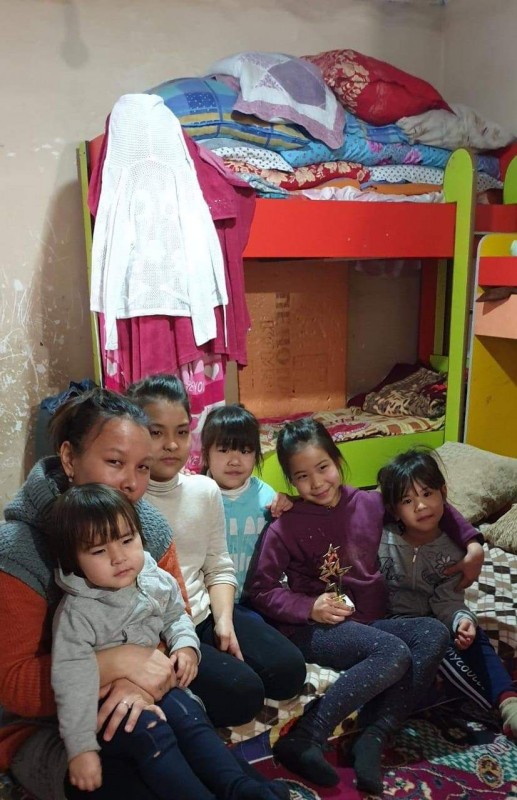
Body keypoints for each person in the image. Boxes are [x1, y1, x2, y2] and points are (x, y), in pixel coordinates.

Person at [245, 418, 484, 795]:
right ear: (291, 481)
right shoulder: (285, 525)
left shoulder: (370, 503)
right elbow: (260, 589)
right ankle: (306, 736)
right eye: (302, 476)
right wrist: (309, 607)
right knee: (393, 652)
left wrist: (473, 542)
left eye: (323, 467)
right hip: (312, 630)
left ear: (338, 461)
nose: (317, 482)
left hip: (369, 622)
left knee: (432, 632)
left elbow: (430, 506)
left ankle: (373, 735)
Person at [0, 387, 199, 800]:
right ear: (69, 459)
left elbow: (172, 610)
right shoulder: (18, 551)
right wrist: (116, 663)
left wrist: (141, 682)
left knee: (237, 691)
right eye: (115, 462)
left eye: (143, 467)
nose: (132, 483)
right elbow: (13, 685)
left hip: (130, 683)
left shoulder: (148, 525)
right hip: (43, 719)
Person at [49, 483, 289, 800]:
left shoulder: (154, 578)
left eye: (127, 540)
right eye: (98, 551)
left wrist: (186, 645)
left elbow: (176, 615)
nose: (119, 558)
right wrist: (81, 749)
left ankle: (241, 789)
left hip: (158, 685)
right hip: (106, 707)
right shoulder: (77, 612)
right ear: (73, 561)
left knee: (190, 717)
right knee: (153, 734)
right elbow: (70, 684)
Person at [127, 375, 306, 729]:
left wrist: (224, 622)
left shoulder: (204, 490)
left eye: (181, 432)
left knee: (289, 672)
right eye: (156, 432)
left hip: (205, 614)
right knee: (243, 697)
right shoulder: (127, 498)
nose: (171, 444)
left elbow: (218, 566)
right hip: (159, 632)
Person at [377, 447, 517, 738]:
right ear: (394, 508)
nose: (420, 506)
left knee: (472, 637)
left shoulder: (454, 550)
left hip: (432, 621)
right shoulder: (381, 538)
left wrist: (460, 620)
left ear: (443, 492)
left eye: (427, 494)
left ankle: (508, 702)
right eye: (407, 500)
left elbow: (448, 601)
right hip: (388, 623)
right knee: (436, 650)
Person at [200, 403, 287, 602]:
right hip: (210, 603)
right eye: (224, 450)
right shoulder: (197, 494)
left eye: (246, 451)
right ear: (206, 454)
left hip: (258, 600)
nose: (235, 461)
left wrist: (287, 506)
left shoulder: (266, 497)